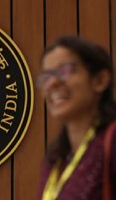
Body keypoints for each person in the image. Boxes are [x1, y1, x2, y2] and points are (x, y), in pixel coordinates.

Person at [37, 36, 116, 200]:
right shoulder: (55, 160)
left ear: (100, 80)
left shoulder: (111, 141)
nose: (52, 83)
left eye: (65, 71)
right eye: (46, 76)